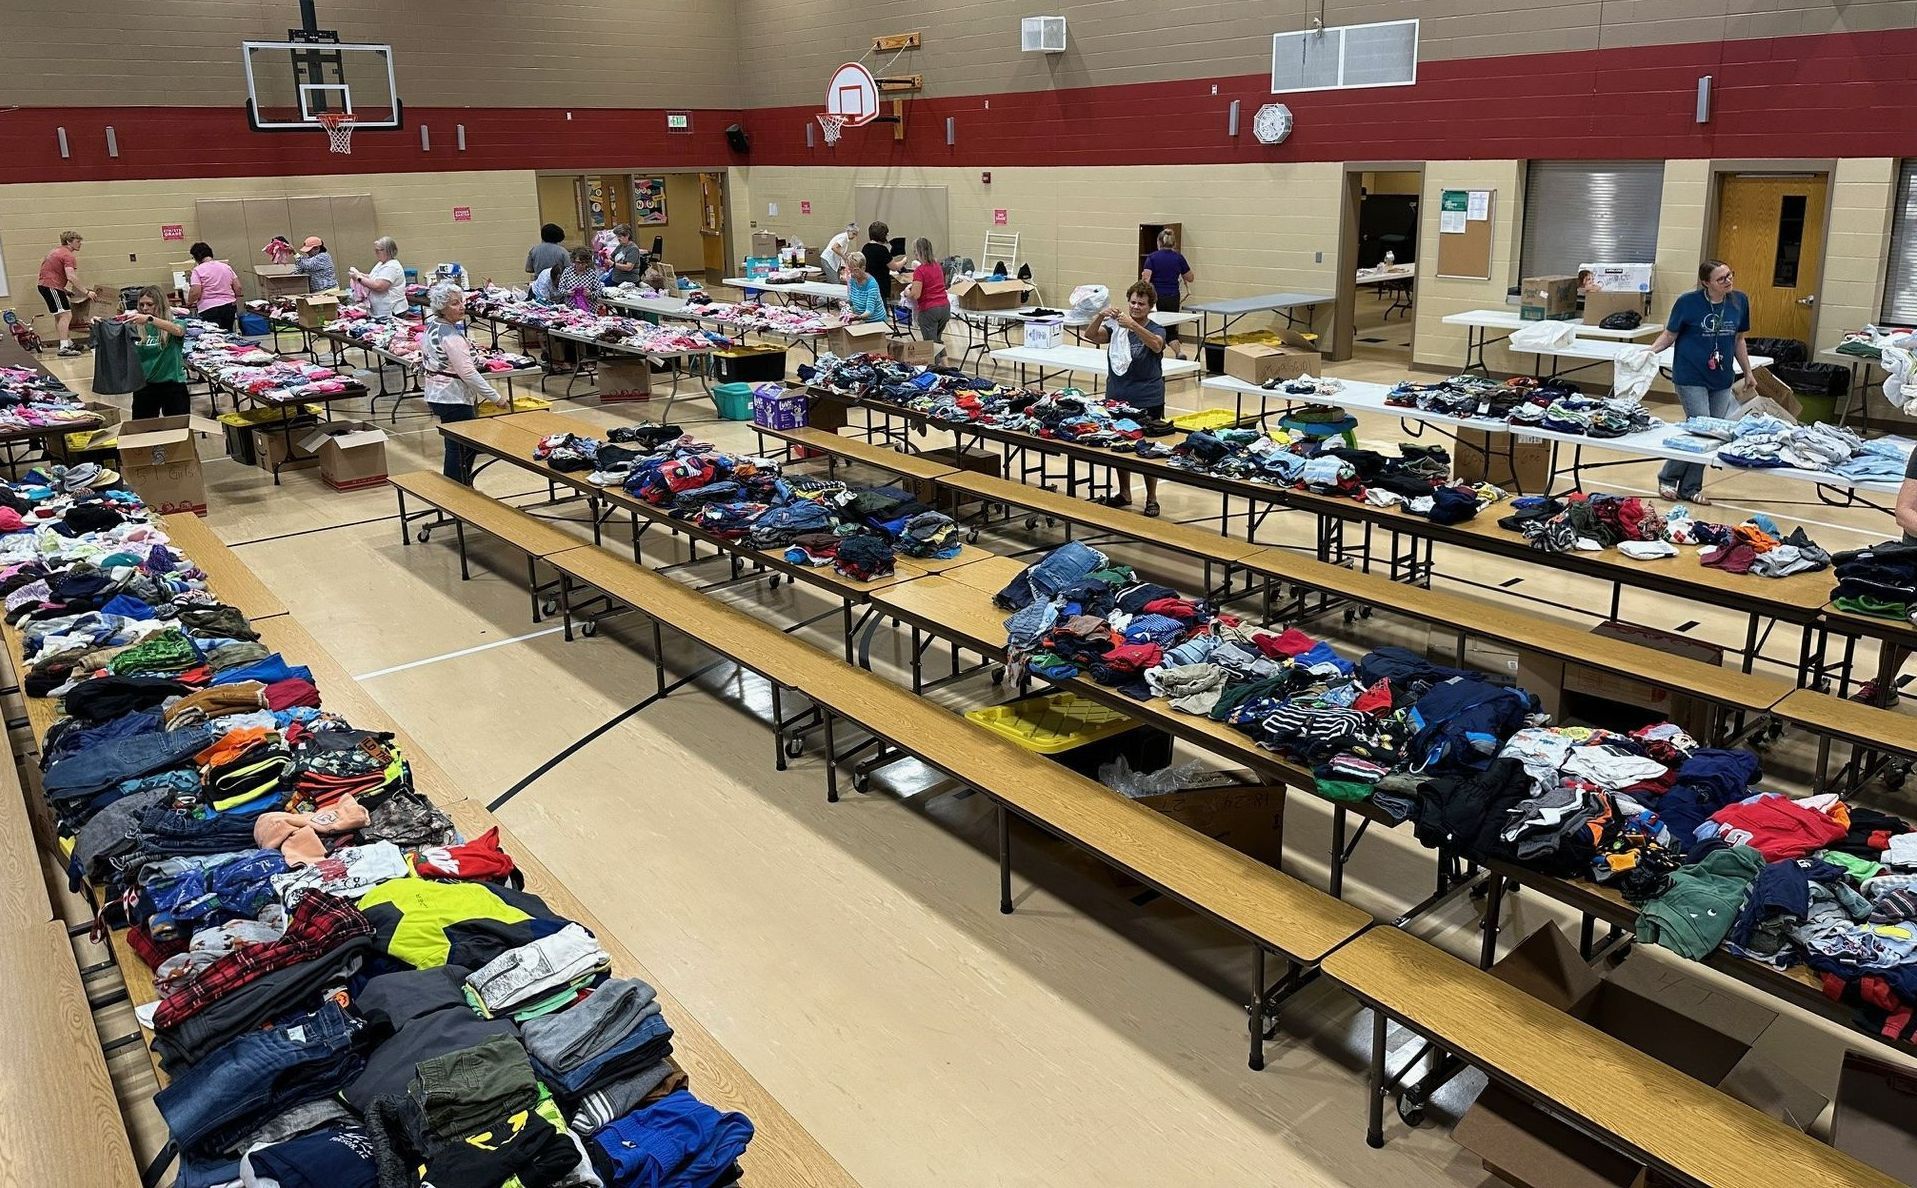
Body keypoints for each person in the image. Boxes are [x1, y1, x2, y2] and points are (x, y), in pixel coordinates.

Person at [1645, 259, 1754, 504]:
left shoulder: (1739, 301)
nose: (1728, 281)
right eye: (1721, 279)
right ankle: (1668, 477)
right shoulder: (1688, 302)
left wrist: (1747, 371)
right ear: (1706, 283)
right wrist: (1650, 352)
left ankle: (1691, 487)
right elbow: (1670, 334)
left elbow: (1739, 339)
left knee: (1713, 434)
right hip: (1690, 374)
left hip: (1722, 376)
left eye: (1729, 275)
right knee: (1700, 429)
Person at [1084, 281, 1169, 516]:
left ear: (1150, 306)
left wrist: (1133, 325)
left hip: (1147, 399)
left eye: (1141, 303)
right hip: (1118, 397)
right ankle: (1124, 493)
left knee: (1146, 449)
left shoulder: (1157, 328)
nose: (1136, 307)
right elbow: (1091, 335)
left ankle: (1151, 497)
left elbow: (1155, 345)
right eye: (1132, 302)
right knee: (1120, 446)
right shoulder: (1116, 328)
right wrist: (1100, 316)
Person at [420, 282, 501, 485]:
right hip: (451, 396)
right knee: (462, 446)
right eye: (455, 304)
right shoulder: (450, 335)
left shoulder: (433, 326)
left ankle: (459, 485)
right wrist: (496, 397)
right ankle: (457, 488)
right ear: (442, 307)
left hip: (436, 392)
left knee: (458, 444)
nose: (462, 307)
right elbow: (467, 373)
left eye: (461, 302)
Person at [125, 285, 189, 418]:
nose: (145, 308)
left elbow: (178, 330)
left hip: (173, 385)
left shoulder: (176, 323)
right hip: (144, 386)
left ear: (160, 304)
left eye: (149, 304)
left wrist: (150, 319)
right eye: (141, 305)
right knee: (143, 430)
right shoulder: (135, 328)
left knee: (179, 430)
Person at [1139, 229, 1194, 360]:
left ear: (1158, 242)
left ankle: (1155, 352)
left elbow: (1146, 280)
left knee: (1153, 326)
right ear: (1173, 243)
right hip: (1173, 297)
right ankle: (1178, 352)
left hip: (1156, 298)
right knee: (1171, 328)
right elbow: (1190, 277)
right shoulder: (1178, 257)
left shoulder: (1152, 258)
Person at [37, 230, 86, 356]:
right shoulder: (68, 255)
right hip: (51, 286)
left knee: (59, 315)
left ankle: (68, 342)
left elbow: (49, 272)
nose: (80, 244)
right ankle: (64, 346)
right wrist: (86, 292)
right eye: (77, 241)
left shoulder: (55, 251)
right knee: (65, 315)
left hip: (47, 286)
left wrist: (64, 290)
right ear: (69, 242)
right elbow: (71, 276)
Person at [905, 237, 950, 363]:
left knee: (930, 345)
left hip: (930, 310)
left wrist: (907, 293)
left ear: (918, 252)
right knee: (937, 340)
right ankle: (947, 368)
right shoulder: (937, 266)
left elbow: (916, 294)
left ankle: (935, 372)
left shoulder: (920, 270)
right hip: (944, 307)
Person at [186, 242, 243, 331]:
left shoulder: (197, 270)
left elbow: (195, 291)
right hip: (228, 306)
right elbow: (238, 287)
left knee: (214, 337)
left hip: (209, 308)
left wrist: (189, 302)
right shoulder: (226, 267)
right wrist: (236, 297)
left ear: (196, 257)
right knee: (228, 333)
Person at [349, 237, 407, 319]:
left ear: (388, 251)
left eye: (378, 250)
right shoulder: (381, 263)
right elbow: (373, 278)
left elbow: (379, 286)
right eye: (375, 250)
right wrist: (361, 275)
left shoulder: (392, 266)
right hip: (380, 311)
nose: (376, 253)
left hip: (391, 310)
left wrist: (359, 278)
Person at [861, 221, 900, 304]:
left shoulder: (865, 248)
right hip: (880, 285)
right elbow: (894, 267)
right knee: (881, 310)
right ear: (883, 235)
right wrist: (904, 261)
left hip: (868, 285)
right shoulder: (882, 250)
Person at [844, 253, 885, 323]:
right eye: (850, 270)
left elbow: (869, 311)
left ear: (863, 268)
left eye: (856, 270)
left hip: (876, 320)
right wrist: (846, 303)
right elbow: (852, 300)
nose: (852, 273)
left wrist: (858, 317)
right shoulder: (852, 280)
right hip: (861, 319)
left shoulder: (872, 284)